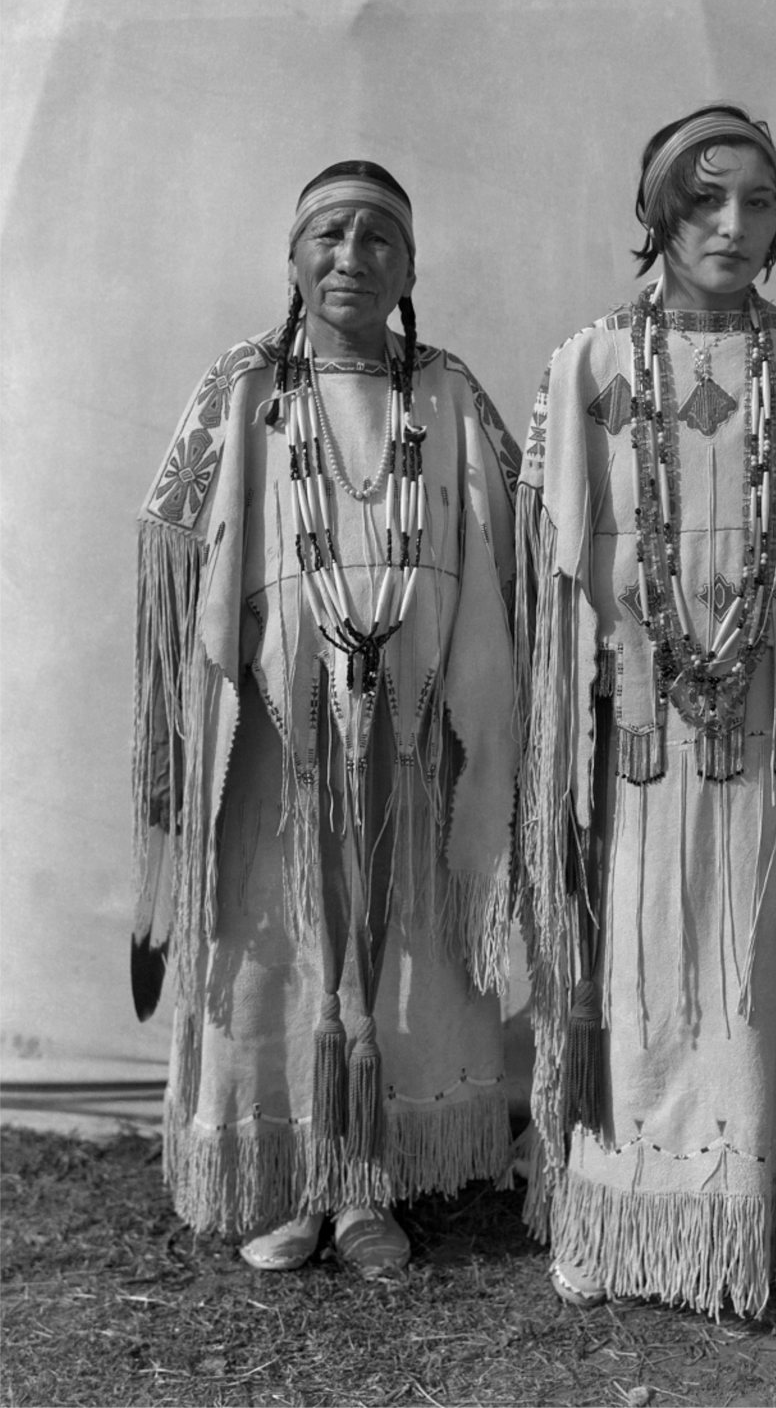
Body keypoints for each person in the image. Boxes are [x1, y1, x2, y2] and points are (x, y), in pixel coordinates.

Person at [515, 105, 776, 1316]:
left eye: (757, 203)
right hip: (635, 736)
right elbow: (558, 576)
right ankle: (618, 1220)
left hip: (770, 735)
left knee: (760, 966)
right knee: (635, 965)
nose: (731, 226)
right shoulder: (587, 363)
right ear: (656, 214)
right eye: (702, 200)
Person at [132, 161, 521, 1272]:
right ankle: (295, 1180)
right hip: (280, 733)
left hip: (411, 735)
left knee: (401, 949)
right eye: (329, 237)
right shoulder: (246, 391)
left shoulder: (443, 393)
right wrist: (176, 738)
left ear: (409, 267)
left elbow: (515, 548)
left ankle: (368, 1189)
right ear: (294, 258)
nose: (351, 258)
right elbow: (171, 549)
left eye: (377, 240)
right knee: (280, 945)